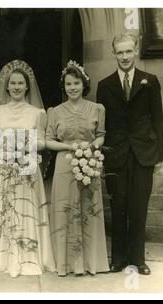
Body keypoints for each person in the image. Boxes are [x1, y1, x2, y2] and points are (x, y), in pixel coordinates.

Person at [96, 32, 163, 276]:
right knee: (119, 206)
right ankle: (118, 259)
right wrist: (103, 156)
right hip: (116, 155)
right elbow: (101, 125)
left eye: (128, 51)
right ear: (113, 53)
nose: (124, 56)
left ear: (135, 51)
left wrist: (158, 157)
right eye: (120, 52)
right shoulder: (104, 86)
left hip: (143, 154)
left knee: (139, 207)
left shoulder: (150, 81)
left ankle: (138, 259)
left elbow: (157, 120)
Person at [0, 60, 56, 278]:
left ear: (27, 87)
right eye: (12, 83)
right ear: (6, 86)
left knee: (26, 211)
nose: (16, 87)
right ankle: (5, 257)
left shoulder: (37, 112)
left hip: (27, 169)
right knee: (6, 210)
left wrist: (26, 145)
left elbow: (42, 142)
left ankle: (27, 257)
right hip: (5, 169)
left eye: (20, 83)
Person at [45, 60, 110, 277]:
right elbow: (47, 141)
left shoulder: (97, 109)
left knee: (89, 209)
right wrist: (68, 146)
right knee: (65, 209)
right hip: (65, 163)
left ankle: (91, 263)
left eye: (76, 83)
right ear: (64, 87)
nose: (72, 88)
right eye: (68, 84)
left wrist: (90, 148)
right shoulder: (55, 112)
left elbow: (101, 135)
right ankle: (66, 264)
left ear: (84, 85)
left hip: (89, 163)